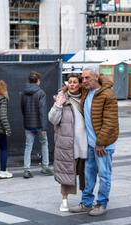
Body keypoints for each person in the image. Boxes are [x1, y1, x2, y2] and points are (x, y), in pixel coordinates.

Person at [69, 67, 119, 216]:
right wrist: (66, 87)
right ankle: (86, 203)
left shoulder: (107, 94)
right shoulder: (87, 91)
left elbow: (110, 122)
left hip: (103, 145)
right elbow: (71, 88)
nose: (83, 81)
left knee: (104, 175)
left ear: (96, 77)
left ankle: (102, 204)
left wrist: (101, 143)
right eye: (82, 78)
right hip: (91, 144)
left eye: (86, 78)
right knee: (88, 174)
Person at [48, 74, 87, 212]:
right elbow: (52, 119)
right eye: (69, 82)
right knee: (66, 174)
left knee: (85, 175)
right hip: (67, 144)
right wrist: (58, 104)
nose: (72, 84)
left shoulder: (86, 98)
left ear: (80, 84)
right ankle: (64, 201)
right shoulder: (62, 99)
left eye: (75, 82)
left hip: (84, 144)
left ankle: (85, 201)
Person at [21, 71, 53, 179]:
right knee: (44, 144)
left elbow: (22, 109)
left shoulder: (24, 92)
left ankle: (27, 170)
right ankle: (45, 167)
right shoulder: (41, 93)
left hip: (28, 124)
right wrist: (44, 126)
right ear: (38, 81)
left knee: (28, 146)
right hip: (39, 124)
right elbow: (42, 110)